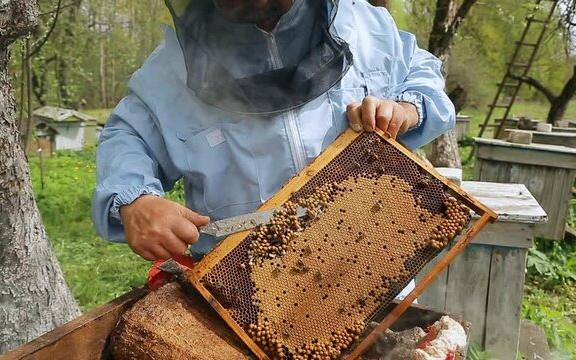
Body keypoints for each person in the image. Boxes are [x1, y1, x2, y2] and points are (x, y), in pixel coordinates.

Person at [92, 0, 455, 267]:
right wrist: (134, 200)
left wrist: (408, 108)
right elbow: (128, 136)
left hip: (373, 267)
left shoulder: (366, 26)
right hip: (246, 293)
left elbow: (420, 72)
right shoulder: (170, 70)